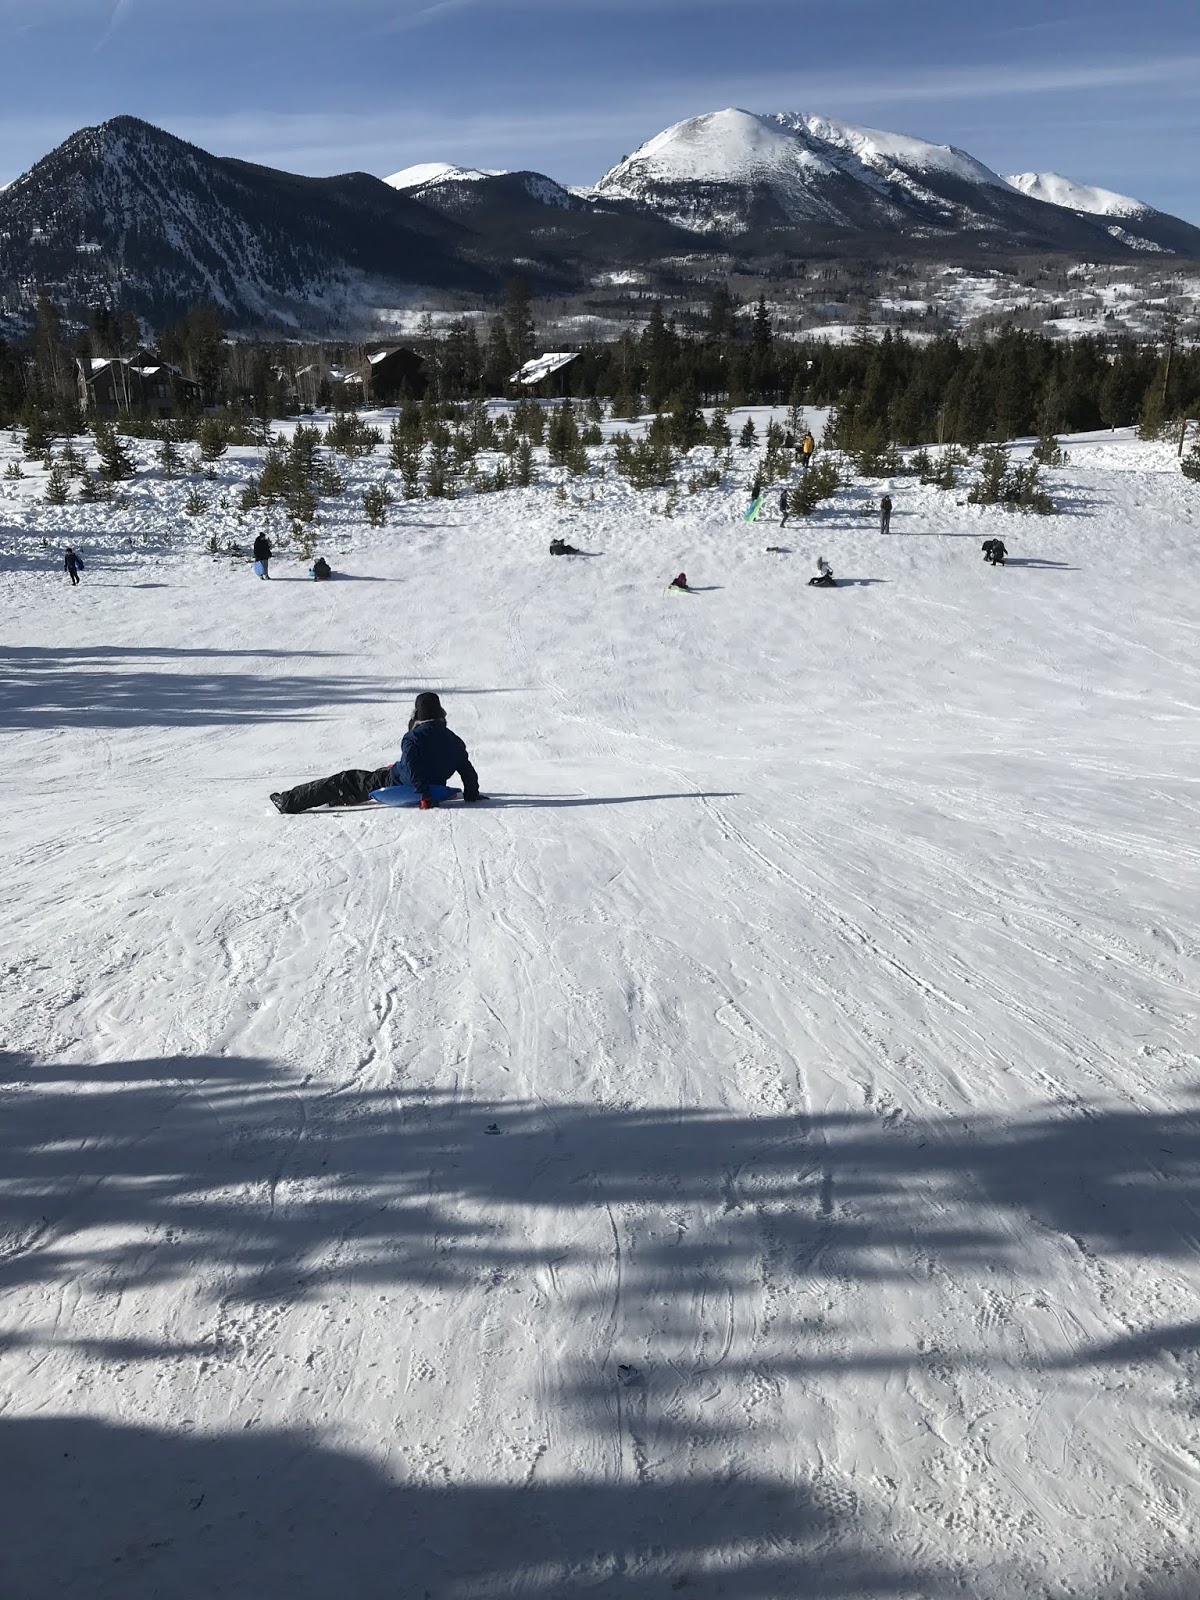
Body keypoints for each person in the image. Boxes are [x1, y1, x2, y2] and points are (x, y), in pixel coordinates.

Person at [270, 692, 484, 814]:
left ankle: (289, 802)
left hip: (401, 782)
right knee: (375, 775)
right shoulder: (454, 740)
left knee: (349, 779)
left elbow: (411, 767)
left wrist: (424, 794)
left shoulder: (414, 737)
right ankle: (339, 799)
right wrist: (472, 794)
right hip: (428, 782)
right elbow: (467, 770)